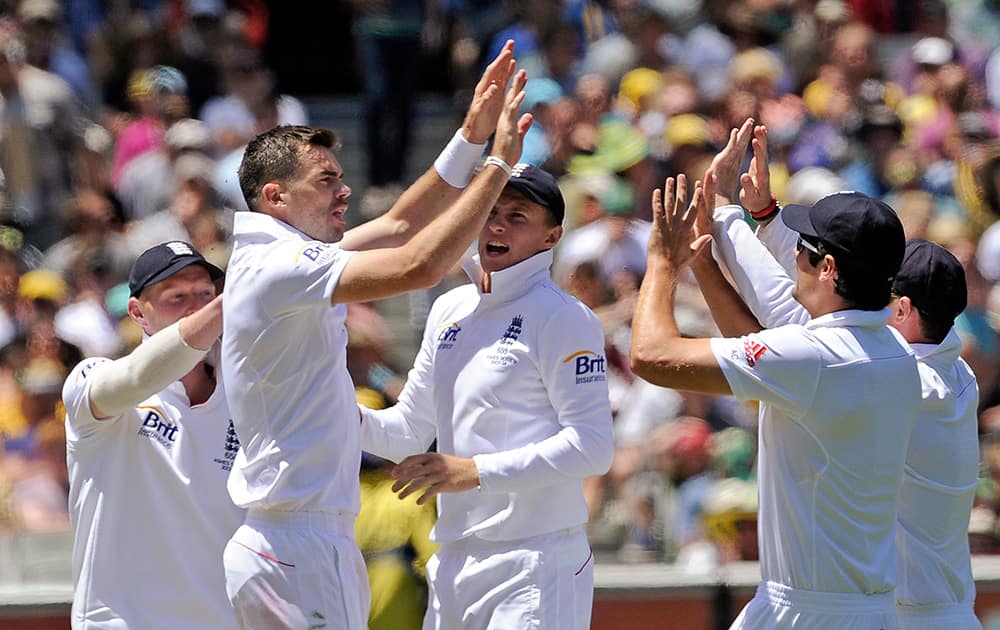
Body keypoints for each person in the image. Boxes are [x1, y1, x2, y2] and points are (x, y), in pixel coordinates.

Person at [220, 42, 532, 628]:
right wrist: (497, 166)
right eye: (326, 179)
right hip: (301, 546)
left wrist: (470, 133)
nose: (344, 190)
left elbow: (398, 224)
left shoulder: (277, 258)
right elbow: (418, 264)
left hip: (286, 541)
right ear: (275, 196)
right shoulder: (280, 266)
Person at [709, 122, 981, 629]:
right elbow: (826, 313)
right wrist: (768, 219)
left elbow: (796, 318)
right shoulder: (955, 373)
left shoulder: (906, 381)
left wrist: (727, 217)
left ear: (899, 307)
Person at [629, 169, 923, 628]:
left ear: (828, 269)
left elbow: (651, 357)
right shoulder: (896, 353)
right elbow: (769, 348)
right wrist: (707, 262)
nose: (793, 258)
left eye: (802, 251)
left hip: (806, 615)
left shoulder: (812, 357)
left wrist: (663, 262)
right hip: (870, 610)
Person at [360, 163, 614, 629]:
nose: (496, 224)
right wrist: (321, 401)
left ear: (551, 237)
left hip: (536, 561)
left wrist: (474, 472)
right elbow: (404, 435)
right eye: (490, 210)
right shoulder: (448, 309)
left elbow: (592, 447)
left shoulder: (565, 318)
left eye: (517, 215)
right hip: (453, 560)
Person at [62, 241, 243, 629]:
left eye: (206, 295)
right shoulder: (91, 378)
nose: (198, 308)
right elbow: (136, 377)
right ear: (137, 313)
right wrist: (238, 298)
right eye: (177, 297)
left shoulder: (247, 393)